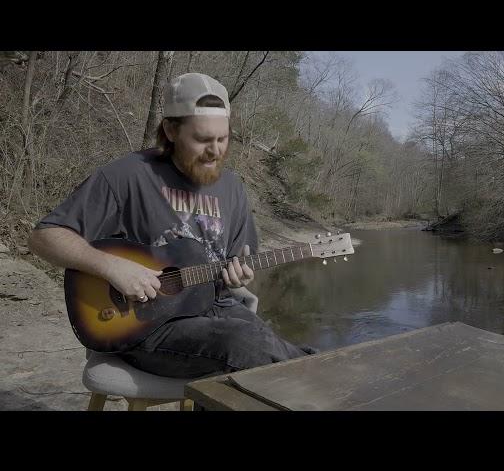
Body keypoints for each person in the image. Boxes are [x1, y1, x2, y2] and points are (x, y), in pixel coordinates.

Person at [27, 73, 315, 378]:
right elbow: (44, 237)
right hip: (145, 326)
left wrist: (237, 275)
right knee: (247, 346)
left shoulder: (233, 188)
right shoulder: (128, 176)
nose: (215, 151)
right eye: (203, 139)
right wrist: (111, 267)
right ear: (170, 130)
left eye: (222, 138)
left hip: (215, 310)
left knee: (296, 357)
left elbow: (235, 265)